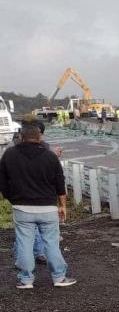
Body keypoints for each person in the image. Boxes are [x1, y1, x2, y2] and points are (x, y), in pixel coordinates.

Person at [0, 123, 75, 289]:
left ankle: (26, 280)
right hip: (47, 207)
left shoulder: (9, 154)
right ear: (40, 137)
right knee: (51, 243)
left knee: (24, 243)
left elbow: (3, 181)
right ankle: (59, 277)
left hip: (21, 207)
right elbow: (59, 183)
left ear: (21, 137)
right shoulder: (49, 156)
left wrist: (12, 199)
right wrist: (62, 205)